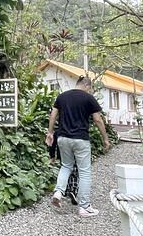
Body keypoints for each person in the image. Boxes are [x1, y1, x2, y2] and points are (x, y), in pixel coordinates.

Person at [45, 76, 111, 217]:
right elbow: (97, 119)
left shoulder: (62, 97)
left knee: (66, 166)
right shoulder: (88, 98)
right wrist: (105, 138)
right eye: (90, 88)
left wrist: (50, 133)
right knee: (84, 172)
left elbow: (53, 116)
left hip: (63, 138)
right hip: (80, 139)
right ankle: (84, 207)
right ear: (87, 86)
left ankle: (58, 192)